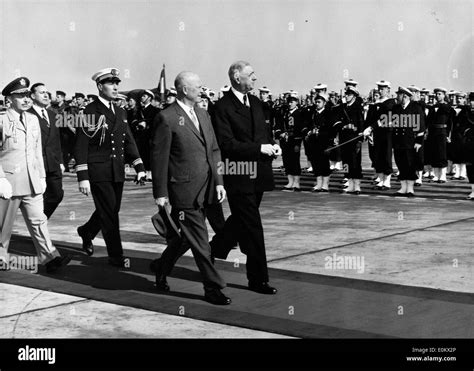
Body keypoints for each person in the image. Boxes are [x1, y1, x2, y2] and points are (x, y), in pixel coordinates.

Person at [150, 71, 231, 305]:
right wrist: (161, 193)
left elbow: (214, 150)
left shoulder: (203, 114)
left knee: (184, 240)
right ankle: (212, 287)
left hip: (208, 189)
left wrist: (219, 182)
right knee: (200, 241)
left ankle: (161, 268)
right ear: (184, 89)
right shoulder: (167, 117)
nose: (202, 90)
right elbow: (159, 158)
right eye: (198, 86)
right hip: (184, 190)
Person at [213, 60, 280, 295]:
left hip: (258, 173)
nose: (255, 78)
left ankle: (213, 249)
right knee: (252, 226)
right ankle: (258, 279)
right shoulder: (222, 107)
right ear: (236, 77)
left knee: (240, 221)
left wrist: (272, 146)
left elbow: (264, 134)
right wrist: (259, 149)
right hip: (238, 173)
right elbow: (227, 144)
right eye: (250, 75)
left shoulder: (256, 103)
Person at [74, 68, 146, 266]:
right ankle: (116, 255)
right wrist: (83, 177)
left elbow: (128, 140)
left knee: (112, 208)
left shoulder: (121, 111)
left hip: (117, 169)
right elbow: (81, 145)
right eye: (110, 83)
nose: (115, 87)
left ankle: (87, 231)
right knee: (109, 214)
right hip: (98, 171)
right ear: (99, 86)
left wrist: (139, 165)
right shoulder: (89, 111)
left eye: (117, 83)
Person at [0, 77, 71, 272]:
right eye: (19, 95)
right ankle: (1, 257)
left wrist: (41, 176)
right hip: (9, 182)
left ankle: (49, 257)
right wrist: (0, 179)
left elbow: (37, 150)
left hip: (32, 181)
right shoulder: (2, 120)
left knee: (38, 220)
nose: (25, 99)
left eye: (26, 95)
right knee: (4, 225)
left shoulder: (33, 120)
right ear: (9, 99)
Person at [28, 83, 65, 218]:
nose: (45, 95)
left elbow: (57, 141)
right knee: (36, 197)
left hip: (53, 162)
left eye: (47, 92)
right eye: (41, 92)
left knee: (57, 195)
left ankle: (40, 220)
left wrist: (61, 161)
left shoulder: (52, 114)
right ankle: (38, 227)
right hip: (37, 164)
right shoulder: (27, 114)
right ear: (32, 96)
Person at [391, 87, 425, 196]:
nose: (397, 97)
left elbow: (421, 126)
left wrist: (419, 142)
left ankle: (410, 188)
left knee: (410, 165)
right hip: (398, 142)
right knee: (400, 164)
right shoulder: (396, 108)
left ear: (404, 96)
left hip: (410, 142)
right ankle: (403, 187)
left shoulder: (415, 108)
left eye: (399, 95)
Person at [363, 80, 396, 190]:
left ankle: (387, 181)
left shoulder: (391, 103)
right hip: (376, 133)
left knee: (386, 155)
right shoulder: (376, 104)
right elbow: (370, 119)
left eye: (383, 89)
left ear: (388, 90)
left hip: (386, 132)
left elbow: (385, 119)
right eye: (379, 88)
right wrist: (368, 130)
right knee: (377, 156)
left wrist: (371, 127)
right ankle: (381, 179)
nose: (381, 91)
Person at [333, 86, 364, 194]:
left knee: (355, 163)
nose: (346, 96)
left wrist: (360, 140)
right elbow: (336, 122)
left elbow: (361, 125)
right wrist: (344, 126)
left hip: (354, 139)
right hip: (344, 139)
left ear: (354, 96)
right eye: (346, 94)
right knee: (346, 163)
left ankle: (357, 185)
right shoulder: (342, 107)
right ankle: (349, 183)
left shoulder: (358, 108)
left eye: (349, 94)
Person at [275, 92, 304, 191]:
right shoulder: (284, 113)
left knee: (295, 160)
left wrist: (295, 135)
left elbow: (301, 128)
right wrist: (281, 133)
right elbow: (278, 125)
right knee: (286, 160)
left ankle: (296, 182)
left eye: (292, 102)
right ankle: (290, 181)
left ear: (296, 102)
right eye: (289, 102)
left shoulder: (300, 113)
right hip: (285, 141)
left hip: (295, 140)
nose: (290, 104)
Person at [303, 93, 333, 192]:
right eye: (316, 102)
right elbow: (306, 125)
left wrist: (321, 133)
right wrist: (308, 131)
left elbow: (330, 129)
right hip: (313, 142)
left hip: (324, 142)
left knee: (324, 163)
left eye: (319, 102)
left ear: (324, 103)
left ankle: (325, 184)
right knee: (315, 163)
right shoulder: (312, 113)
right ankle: (319, 183)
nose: (317, 103)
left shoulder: (328, 113)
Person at [425, 87, 454, 183]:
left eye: (440, 94)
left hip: (442, 132)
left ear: (444, 95)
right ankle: (436, 175)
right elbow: (428, 121)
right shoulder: (433, 107)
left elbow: (450, 122)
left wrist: (448, 135)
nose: (437, 96)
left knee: (442, 153)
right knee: (434, 153)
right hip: (433, 132)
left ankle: (443, 176)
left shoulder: (447, 107)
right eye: (436, 94)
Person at [461, 92, 474, 199]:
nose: (472, 103)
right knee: (470, 168)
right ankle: (473, 190)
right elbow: (460, 126)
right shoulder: (466, 112)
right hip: (469, 144)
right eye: (471, 100)